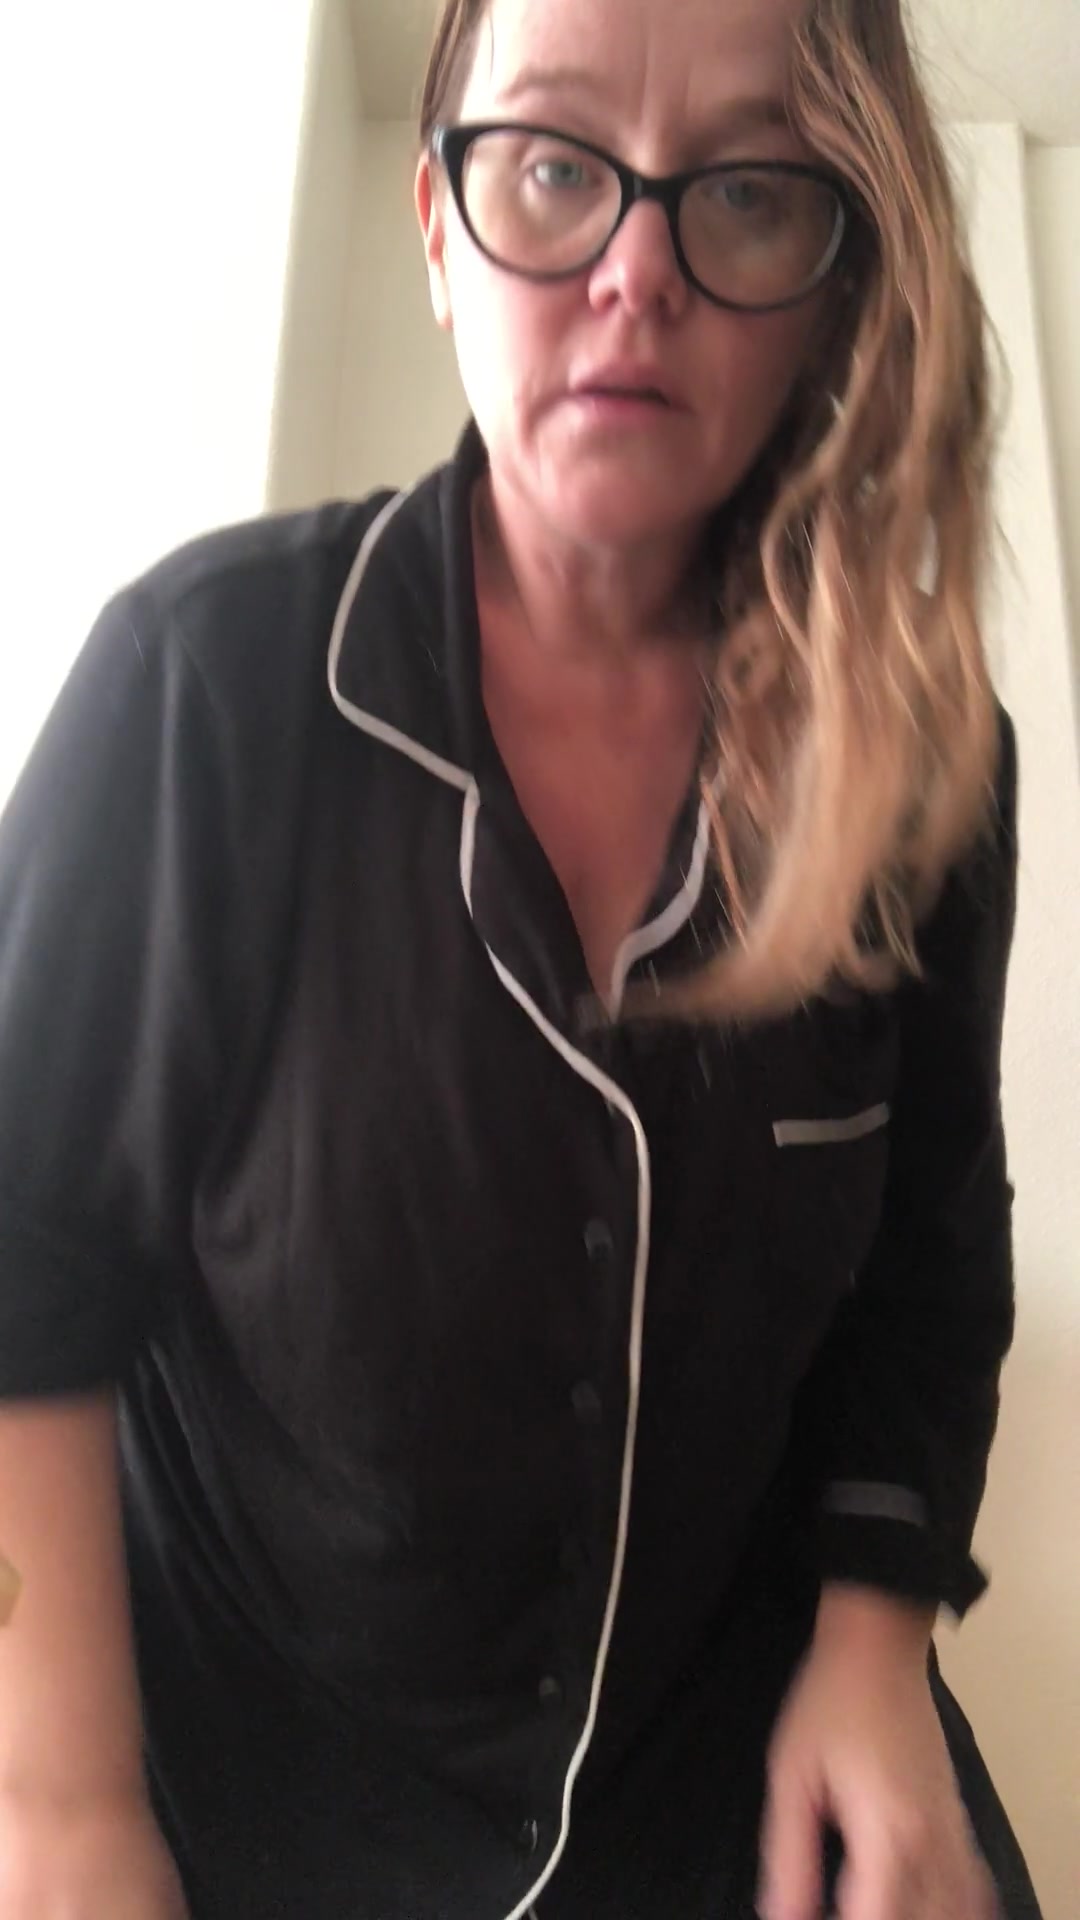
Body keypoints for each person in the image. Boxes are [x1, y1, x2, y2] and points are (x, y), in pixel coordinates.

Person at [0, 0, 1048, 1914]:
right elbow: (20, 1269)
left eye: (744, 191)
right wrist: (62, 1815)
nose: (637, 272)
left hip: (718, 1753)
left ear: (833, 275)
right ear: (436, 226)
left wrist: (878, 1640)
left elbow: (930, 1257)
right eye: (557, 167)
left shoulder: (925, 772)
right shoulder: (201, 689)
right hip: (246, 1766)